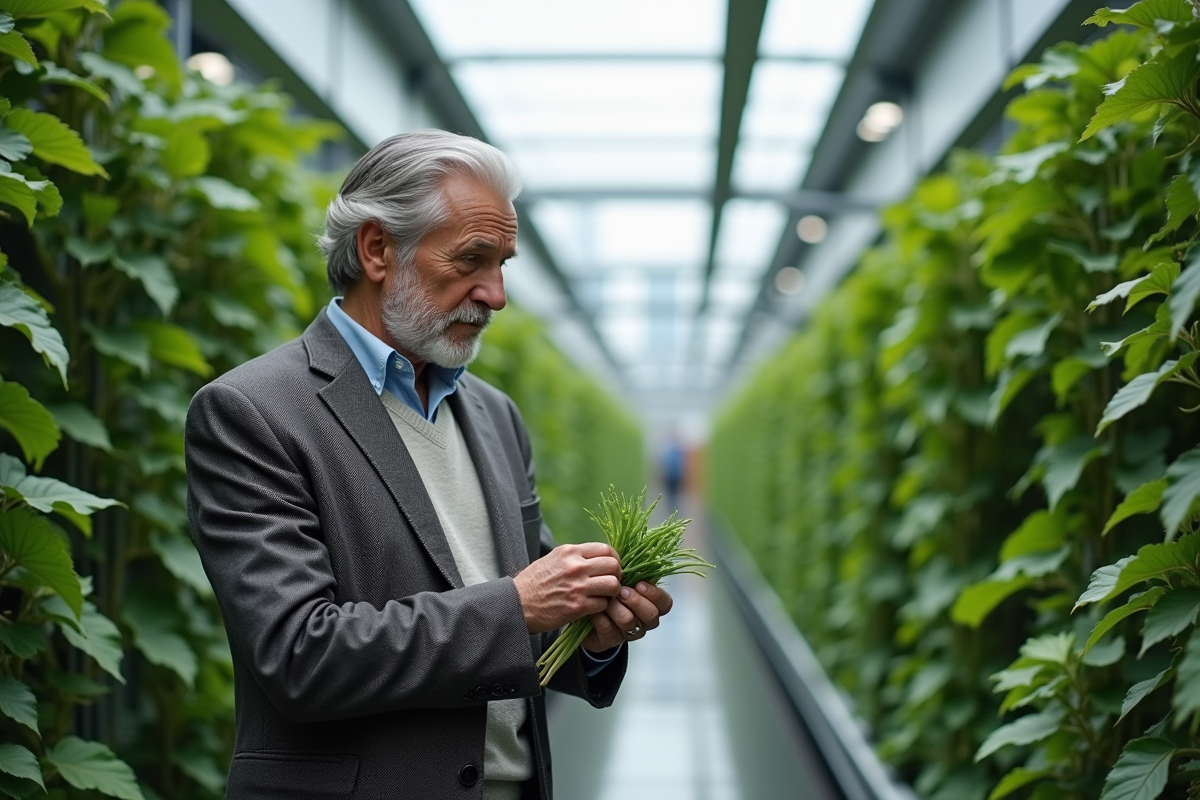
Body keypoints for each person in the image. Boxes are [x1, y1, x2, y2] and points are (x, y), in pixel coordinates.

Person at [184, 130, 674, 800]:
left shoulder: (494, 414)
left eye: (503, 263)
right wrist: (519, 605)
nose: (496, 294)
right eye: (473, 259)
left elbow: (522, 621)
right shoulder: (254, 412)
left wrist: (591, 634)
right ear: (378, 249)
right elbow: (300, 654)